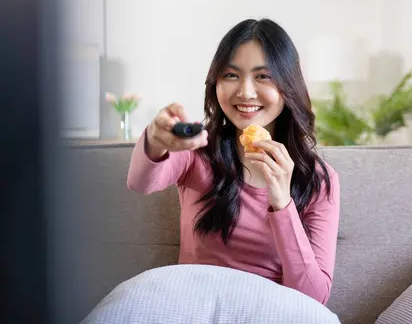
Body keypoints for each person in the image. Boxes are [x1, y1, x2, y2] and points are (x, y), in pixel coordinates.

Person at [126, 18, 341, 304]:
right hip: (193, 309)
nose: (245, 92)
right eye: (231, 75)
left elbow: (313, 298)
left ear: (288, 85)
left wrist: (282, 204)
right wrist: (155, 141)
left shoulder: (318, 180)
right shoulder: (197, 150)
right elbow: (141, 183)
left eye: (263, 76)